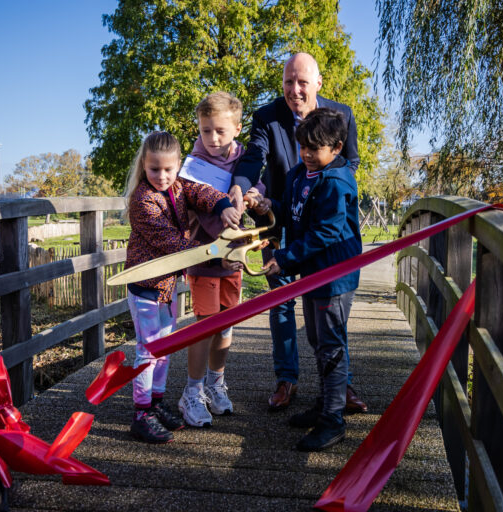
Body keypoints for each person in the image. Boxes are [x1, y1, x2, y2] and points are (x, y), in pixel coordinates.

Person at [229, 52, 367, 414]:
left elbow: (350, 162)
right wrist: (243, 188)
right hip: (276, 216)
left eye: (302, 82)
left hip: (321, 226)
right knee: (282, 304)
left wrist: (315, 185)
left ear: (318, 83)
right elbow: (253, 157)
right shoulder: (266, 117)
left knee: (328, 314)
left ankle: (339, 388)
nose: (294, 90)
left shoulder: (342, 115)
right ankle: (287, 379)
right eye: (289, 82)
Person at [123, 131, 240, 443]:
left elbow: (202, 192)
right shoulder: (143, 201)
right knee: (149, 350)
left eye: (168, 169)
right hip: (145, 285)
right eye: (154, 169)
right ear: (143, 168)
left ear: (177, 168)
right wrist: (218, 253)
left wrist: (223, 206)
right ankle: (140, 412)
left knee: (167, 347)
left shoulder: (179, 187)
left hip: (167, 287)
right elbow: (174, 245)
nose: (162, 176)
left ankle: (156, 404)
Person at [260, 107, 361, 451]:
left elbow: (327, 233)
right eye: (303, 146)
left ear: (336, 148)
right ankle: (325, 404)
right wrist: (263, 209)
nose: (306, 154)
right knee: (318, 342)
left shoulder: (336, 181)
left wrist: (284, 260)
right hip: (312, 275)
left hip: (334, 277)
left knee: (331, 345)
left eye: (315, 149)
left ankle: (333, 420)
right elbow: (286, 211)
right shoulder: (298, 175)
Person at [178, 92, 265, 427]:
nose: (212, 139)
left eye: (220, 131)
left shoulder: (246, 158)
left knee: (227, 322)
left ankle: (216, 383)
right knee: (205, 323)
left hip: (235, 258)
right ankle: (192, 392)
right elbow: (200, 207)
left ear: (237, 129)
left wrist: (257, 197)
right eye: (205, 131)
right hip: (206, 255)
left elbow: (257, 186)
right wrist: (226, 238)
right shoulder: (192, 166)